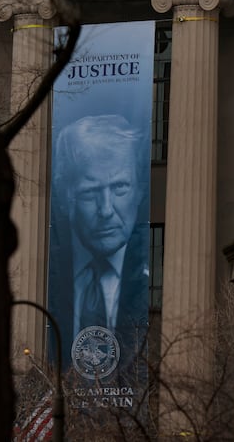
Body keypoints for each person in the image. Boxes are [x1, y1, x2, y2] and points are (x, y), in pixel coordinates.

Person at [48, 114, 149, 383]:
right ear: (66, 198)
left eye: (119, 187)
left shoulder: (148, 274)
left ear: (139, 191)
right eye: (90, 192)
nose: (106, 210)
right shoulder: (49, 274)